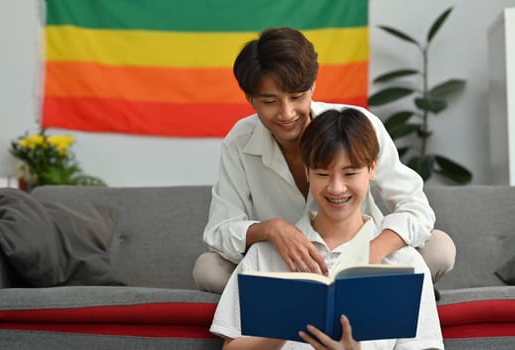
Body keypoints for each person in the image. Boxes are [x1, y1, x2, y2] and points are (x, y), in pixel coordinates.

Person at [193, 26, 455, 293]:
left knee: (440, 248)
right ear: (250, 98)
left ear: (312, 87)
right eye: (270, 101)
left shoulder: (358, 125)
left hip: (362, 260)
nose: (286, 113)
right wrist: (271, 229)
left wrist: (370, 254)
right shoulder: (239, 141)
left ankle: (381, 291)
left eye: (296, 97)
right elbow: (219, 230)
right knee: (208, 268)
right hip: (284, 267)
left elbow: (416, 207)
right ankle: (297, 300)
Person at [210, 108, 444, 349]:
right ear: (307, 172)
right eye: (322, 173)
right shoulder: (264, 255)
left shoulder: (406, 264)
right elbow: (231, 346)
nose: (336, 188)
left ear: (372, 169)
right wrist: (286, 328)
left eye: (350, 173)